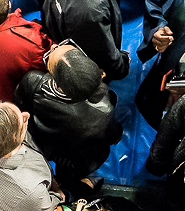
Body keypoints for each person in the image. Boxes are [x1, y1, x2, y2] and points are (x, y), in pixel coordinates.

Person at [16, 41, 122, 192]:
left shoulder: (34, 81)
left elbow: (21, 105)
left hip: (44, 144)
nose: (53, 47)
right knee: (70, 175)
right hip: (75, 156)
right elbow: (113, 135)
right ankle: (77, 187)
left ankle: (70, 188)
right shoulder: (103, 110)